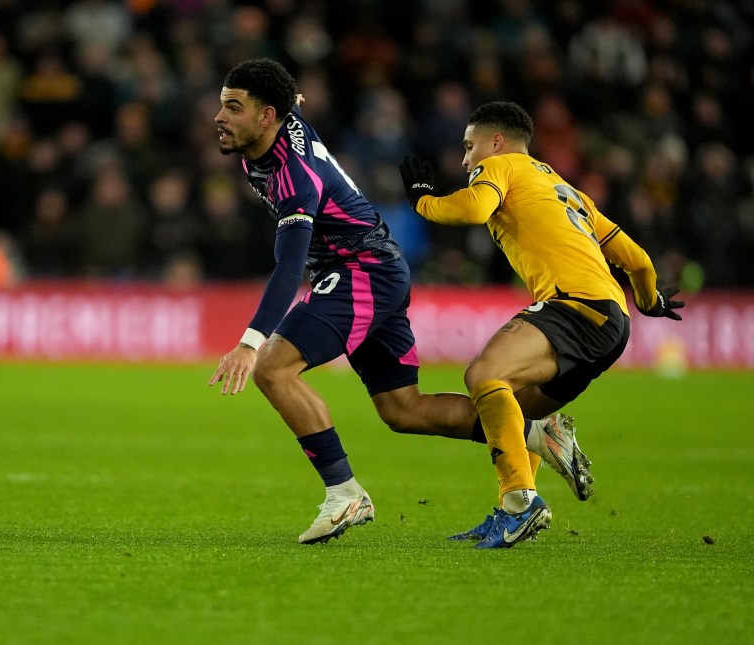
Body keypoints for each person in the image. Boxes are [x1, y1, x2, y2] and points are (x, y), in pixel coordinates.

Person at [207, 59, 589, 547]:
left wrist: (249, 341)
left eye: (233, 107)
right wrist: (291, 98)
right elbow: (291, 106)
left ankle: (344, 494)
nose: (220, 117)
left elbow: (288, 267)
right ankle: (537, 432)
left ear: (267, 117)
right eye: (221, 105)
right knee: (402, 410)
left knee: (271, 368)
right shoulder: (279, 127)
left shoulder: (293, 174)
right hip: (378, 268)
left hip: (360, 270)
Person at [399, 100, 684, 548]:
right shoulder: (561, 185)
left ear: (496, 141)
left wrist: (423, 200)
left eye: (469, 146)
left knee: (483, 375)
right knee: (516, 406)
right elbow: (638, 260)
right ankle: (512, 504)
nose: (465, 159)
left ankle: (521, 503)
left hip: (576, 306)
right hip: (611, 319)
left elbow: (474, 209)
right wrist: (650, 300)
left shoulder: (503, 166)